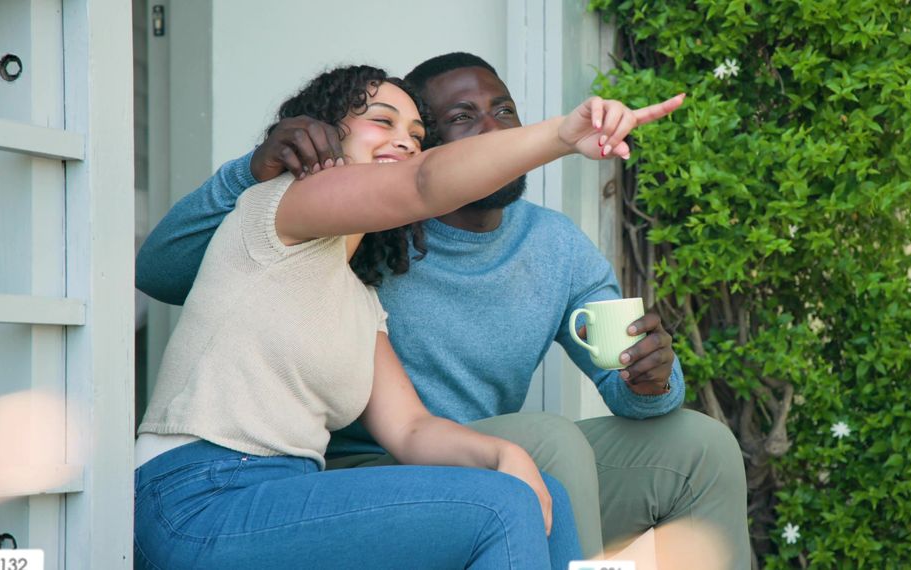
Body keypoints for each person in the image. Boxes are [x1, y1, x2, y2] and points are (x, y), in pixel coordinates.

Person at [138, 53, 747, 569]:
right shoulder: (282, 208)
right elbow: (423, 186)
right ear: (322, 136)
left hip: (288, 491)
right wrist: (562, 136)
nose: (404, 140)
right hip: (200, 490)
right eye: (382, 121)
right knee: (509, 492)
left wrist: (506, 455)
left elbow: (410, 428)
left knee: (541, 489)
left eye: (415, 134)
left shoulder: (360, 297)